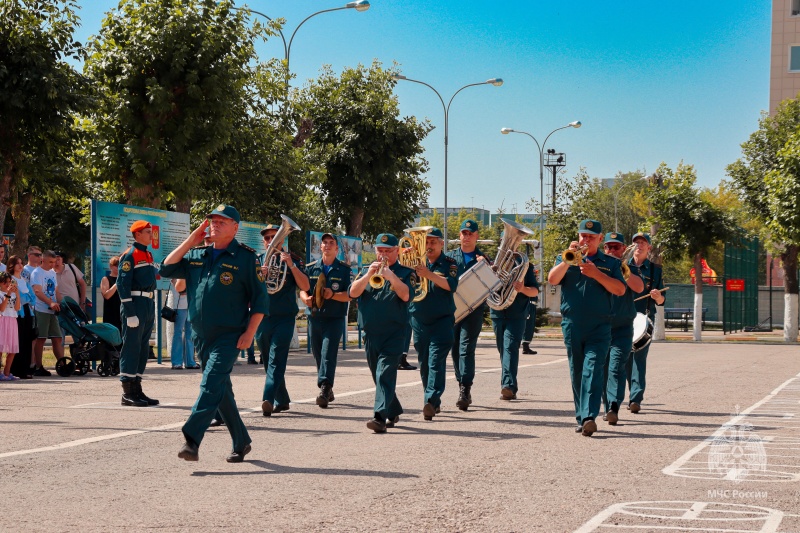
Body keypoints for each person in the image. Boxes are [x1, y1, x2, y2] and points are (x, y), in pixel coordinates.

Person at [161, 204, 268, 463]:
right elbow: (166, 268)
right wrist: (191, 240)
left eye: (222, 221)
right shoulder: (198, 254)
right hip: (201, 335)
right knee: (221, 391)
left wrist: (249, 334)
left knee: (210, 384)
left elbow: (261, 302)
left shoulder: (246, 258)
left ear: (235, 228)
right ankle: (241, 441)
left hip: (229, 336)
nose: (215, 225)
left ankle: (192, 439)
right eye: (213, 221)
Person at [547, 220, 625, 437]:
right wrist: (567, 260)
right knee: (578, 371)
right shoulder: (566, 257)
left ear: (600, 239)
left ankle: (590, 416)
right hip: (572, 324)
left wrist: (597, 274)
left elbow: (619, 290)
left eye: (591, 237)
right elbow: (552, 279)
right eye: (583, 235)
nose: (586, 240)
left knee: (593, 368)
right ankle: (581, 417)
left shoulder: (610, 263)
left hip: (600, 325)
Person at [349, 233, 414, 433]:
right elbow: (352, 293)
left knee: (385, 372)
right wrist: (369, 275)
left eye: (388, 250)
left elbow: (406, 295)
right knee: (377, 375)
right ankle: (393, 409)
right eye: (380, 250)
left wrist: (391, 276)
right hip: (370, 333)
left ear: (397, 251)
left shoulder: (405, 272)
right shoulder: (367, 270)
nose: (383, 254)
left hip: (394, 333)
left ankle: (379, 417)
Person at [258, 223, 309, 417]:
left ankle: (268, 398)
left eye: (274, 238)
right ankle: (282, 399)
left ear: (282, 240)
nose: (271, 241)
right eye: (267, 239)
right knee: (267, 360)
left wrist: (291, 265)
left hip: (285, 318)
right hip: (262, 318)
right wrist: (258, 276)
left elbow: (305, 285)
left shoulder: (294, 260)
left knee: (276, 358)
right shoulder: (256, 261)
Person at [410, 227, 459, 421]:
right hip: (418, 319)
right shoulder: (414, 261)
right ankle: (433, 401)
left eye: (433, 242)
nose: (429, 245)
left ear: (441, 244)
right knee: (424, 363)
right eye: (426, 242)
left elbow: (451, 286)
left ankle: (429, 400)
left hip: (442, 320)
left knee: (435, 361)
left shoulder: (450, 263)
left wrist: (428, 274)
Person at [300, 233, 351, 409]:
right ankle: (327, 388)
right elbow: (302, 289)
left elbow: (350, 295)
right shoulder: (312, 268)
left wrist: (333, 295)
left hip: (334, 318)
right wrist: (305, 298)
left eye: (331, 243)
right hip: (315, 317)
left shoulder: (344, 270)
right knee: (318, 355)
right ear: (320, 247)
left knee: (328, 353)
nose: (327, 245)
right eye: (325, 243)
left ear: (337, 249)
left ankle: (324, 388)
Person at [446, 219, 489, 410]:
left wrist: (486, 266)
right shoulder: (449, 258)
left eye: (471, 233)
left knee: (466, 348)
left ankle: (465, 388)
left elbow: (493, 284)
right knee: (454, 348)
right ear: (459, 236)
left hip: (474, 309)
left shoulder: (484, 258)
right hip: (452, 309)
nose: (467, 236)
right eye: (464, 233)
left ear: (477, 236)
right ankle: (460, 382)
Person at [601, 233, 643, 425]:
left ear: (623, 248)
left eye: (616, 247)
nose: (611, 251)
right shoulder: (600, 267)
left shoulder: (630, 267)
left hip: (623, 327)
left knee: (616, 367)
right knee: (601, 369)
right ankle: (606, 405)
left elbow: (639, 287)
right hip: (601, 326)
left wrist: (624, 271)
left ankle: (614, 407)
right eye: (608, 247)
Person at [117, 221, 159, 407]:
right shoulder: (130, 255)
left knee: (143, 348)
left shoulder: (148, 254)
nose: (151, 235)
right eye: (148, 232)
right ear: (138, 234)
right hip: (135, 303)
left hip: (148, 303)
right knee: (132, 347)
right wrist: (129, 312)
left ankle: (137, 389)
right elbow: (122, 284)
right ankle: (127, 392)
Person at [490, 248, 539, 401]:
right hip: (497, 312)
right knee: (503, 350)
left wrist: (523, 288)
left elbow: (534, 291)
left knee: (510, 347)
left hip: (517, 314)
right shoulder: (493, 264)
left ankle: (508, 386)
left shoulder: (525, 265)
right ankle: (508, 384)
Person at [626, 232, 665, 415]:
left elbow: (662, 301)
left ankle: (635, 398)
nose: (639, 245)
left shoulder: (655, 270)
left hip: (644, 318)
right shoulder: (622, 266)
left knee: (639, 358)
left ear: (649, 247)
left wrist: (658, 297)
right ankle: (622, 395)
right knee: (623, 357)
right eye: (636, 243)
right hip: (623, 316)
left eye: (643, 243)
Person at [30, 250, 64, 376]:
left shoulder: (52, 273)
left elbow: (56, 291)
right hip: (41, 310)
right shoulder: (36, 273)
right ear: (43, 260)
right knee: (41, 338)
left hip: (53, 310)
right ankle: (38, 366)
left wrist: (62, 303)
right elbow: (38, 292)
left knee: (57, 337)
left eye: (54, 262)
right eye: (50, 262)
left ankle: (62, 364)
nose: (53, 264)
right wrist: (50, 303)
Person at [8, 255, 35, 379]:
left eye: (21, 263)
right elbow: (17, 297)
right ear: (12, 265)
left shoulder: (24, 280)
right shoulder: (10, 279)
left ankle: (25, 368)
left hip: (28, 312)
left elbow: (32, 298)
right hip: (17, 313)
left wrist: (25, 298)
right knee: (18, 340)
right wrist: (25, 298)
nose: (20, 265)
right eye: (17, 263)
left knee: (27, 339)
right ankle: (16, 369)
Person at [169, 278, 198, 370]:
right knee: (178, 333)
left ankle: (190, 362)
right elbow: (174, 283)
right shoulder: (176, 270)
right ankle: (176, 362)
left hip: (191, 305)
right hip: (179, 305)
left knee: (190, 334)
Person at [0, 272, 21, 380]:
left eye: (9, 282)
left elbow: (17, 308)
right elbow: (2, 308)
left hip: (12, 320)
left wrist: (17, 294)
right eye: (5, 282)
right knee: (0, 347)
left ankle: (7, 372)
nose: (7, 284)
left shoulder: (12, 294)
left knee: (12, 349)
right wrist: (7, 295)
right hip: (2, 320)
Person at [99, 256, 122, 334]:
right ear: (111, 266)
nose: (118, 267)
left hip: (122, 311)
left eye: (120, 265)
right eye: (116, 265)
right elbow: (106, 295)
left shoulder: (124, 279)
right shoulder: (106, 279)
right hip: (111, 312)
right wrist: (117, 283)